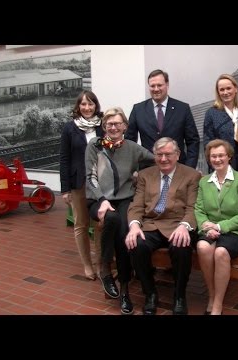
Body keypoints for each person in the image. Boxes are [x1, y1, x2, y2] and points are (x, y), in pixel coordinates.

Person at [85, 107, 155, 315]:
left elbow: (157, 160)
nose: (113, 127)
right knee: (113, 218)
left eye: (117, 123)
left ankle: (124, 289)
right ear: (104, 126)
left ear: (125, 126)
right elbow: (90, 177)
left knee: (124, 235)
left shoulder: (134, 148)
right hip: (98, 199)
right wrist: (103, 200)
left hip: (125, 199)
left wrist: (139, 175)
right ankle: (105, 269)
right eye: (109, 124)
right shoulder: (94, 145)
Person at [125, 137, 201, 315]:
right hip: (151, 224)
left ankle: (179, 296)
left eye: (168, 154)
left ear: (177, 155)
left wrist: (184, 226)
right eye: (159, 154)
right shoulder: (145, 175)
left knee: (181, 246)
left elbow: (193, 207)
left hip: (177, 225)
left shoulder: (192, 175)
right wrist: (134, 225)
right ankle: (150, 293)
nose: (163, 159)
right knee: (136, 244)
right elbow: (136, 205)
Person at [194, 139, 238, 315]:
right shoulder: (204, 182)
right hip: (209, 229)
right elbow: (198, 209)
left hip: (235, 231)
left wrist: (220, 226)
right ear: (209, 158)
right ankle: (212, 295)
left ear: (229, 157)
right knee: (203, 247)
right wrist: (206, 226)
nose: (217, 159)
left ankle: (218, 303)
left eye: (221, 155)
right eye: (213, 156)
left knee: (221, 252)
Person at [60, 90, 103, 282]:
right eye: (83, 104)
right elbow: (64, 159)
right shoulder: (69, 128)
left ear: (96, 106)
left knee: (100, 223)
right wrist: (65, 189)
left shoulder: (102, 126)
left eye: (90, 104)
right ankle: (87, 264)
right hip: (78, 183)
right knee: (81, 224)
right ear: (78, 106)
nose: (87, 108)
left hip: (101, 182)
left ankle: (101, 263)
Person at [127, 69, 200, 168]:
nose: (156, 89)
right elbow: (129, 142)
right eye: (152, 86)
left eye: (159, 85)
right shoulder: (138, 110)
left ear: (167, 85)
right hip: (148, 171)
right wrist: (133, 168)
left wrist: (189, 168)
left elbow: (192, 141)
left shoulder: (183, 109)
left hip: (178, 170)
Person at [203, 74, 238, 180]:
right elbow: (208, 145)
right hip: (223, 169)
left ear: (235, 89)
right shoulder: (212, 113)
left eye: (228, 88)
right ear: (218, 92)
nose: (225, 92)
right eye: (222, 90)